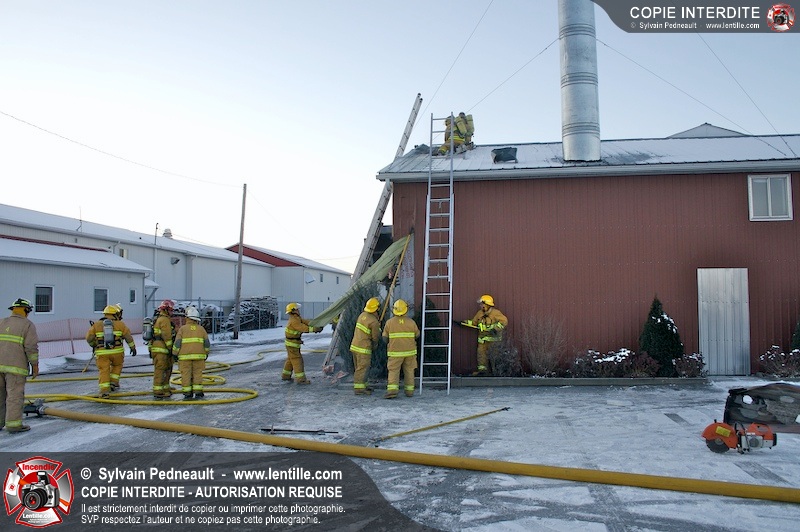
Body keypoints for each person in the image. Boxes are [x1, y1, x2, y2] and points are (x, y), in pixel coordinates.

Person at [0, 298, 39, 433]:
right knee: (14, 396)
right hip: (16, 368)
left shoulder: (1, 322)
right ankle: (13, 425)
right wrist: (35, 366)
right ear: (25, 310)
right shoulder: (27, 325)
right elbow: (31, 348)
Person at [86, 305, 137, 398]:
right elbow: (128, 337)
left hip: (102, 353)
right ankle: (113, 383)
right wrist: (132, 348)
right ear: (115, 314)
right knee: (117, 365)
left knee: (104, 370)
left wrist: (93, 345)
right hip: (117, 352)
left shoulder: (96, 325)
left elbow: (89, 338)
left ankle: (104, 391)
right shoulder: (121, 324)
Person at [461, 294, 508, 376]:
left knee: (495, 356)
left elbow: (504, 321)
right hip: (482, 340)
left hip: (493, 341)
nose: (480, 305)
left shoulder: (495, 313)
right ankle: (482, 372)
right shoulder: (479, 313)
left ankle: (496, 372)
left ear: (487, 304)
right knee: (481, 356)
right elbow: (474, 322)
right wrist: (465, 322)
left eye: (482, 304)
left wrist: (495, 329)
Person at [382, 299, 420, 399]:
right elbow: (417, 335)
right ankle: (409, 392)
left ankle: (392, 392)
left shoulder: (389, 323)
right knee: (409, 371)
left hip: (395, 353)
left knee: (393, 371)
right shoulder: (411, 322)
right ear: (405, 310)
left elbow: (385, 338)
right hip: (410, 352)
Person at [173, 306, 210, 400]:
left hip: (184, 358)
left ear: (187, 317)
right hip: (199, 357)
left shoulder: (182, 329)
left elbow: (177, 343)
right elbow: (207, 343)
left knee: (186, 375)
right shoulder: (201, 329)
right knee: (197, 374)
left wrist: (174, 354)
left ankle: (187, 393)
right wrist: (206, 353)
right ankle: (198, 392)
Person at [282, 303, 322, 384]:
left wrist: (315, 323)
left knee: (291, 359)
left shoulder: (296, 318)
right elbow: (303, 328)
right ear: (293, 311)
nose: (298, 310)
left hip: (292, 343)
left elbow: (306, 322)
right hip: (292, 344)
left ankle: (286, 376)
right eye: (297, 309)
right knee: (297, 360)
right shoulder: (294, 321)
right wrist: (315, 329)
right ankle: (301, 380)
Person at [350, 297, 381, 396]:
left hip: (355, 346)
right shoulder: (374, 322)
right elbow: (375, 337)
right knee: (363, 368)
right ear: (376, 309)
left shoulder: (362, 315)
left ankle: (363, 385)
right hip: (363, 348)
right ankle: (359, 389)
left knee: (359, 368)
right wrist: (375, 344)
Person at [149, 300, 175, 399]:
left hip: (159, 348)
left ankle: (165, 387)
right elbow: (166, 335)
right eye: (171, 310)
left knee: (167, 368)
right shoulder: (164, 320)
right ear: (166, 310)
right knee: (160, 369)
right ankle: (158, 390)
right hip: (161, 349)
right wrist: (170, 348)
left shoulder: (160, 319)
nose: (172, 312)